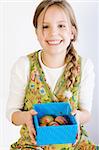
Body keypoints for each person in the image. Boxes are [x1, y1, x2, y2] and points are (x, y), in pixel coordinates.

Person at [6, 0, 98, 149]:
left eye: (61, 25)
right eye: (45, 26)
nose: (53, 32)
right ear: (36, 33)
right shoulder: (24, 65)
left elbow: (86, 112)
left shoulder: (84, 66)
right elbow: (12, 113)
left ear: (72, 32)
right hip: (33, 144)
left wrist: (78, 117)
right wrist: (26, 117)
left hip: (73, 144)